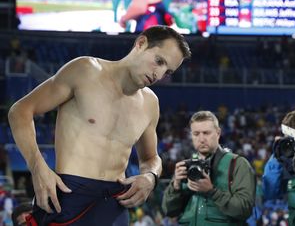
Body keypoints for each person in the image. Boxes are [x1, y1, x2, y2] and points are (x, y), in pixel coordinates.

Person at [7, 25, 191, 225]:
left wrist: (151, 177)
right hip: (68, 198)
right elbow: (20, 111)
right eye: (159, 61)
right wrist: (37, 167)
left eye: (168, 71)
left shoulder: (150, 103)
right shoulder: (85, 70)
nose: (159, 74)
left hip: (116, 204)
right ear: (141, 43)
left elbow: (151, 157)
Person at [161, 110, 256, 225]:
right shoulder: (186, 167)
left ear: (218, 133)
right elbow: (169, 211)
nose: (201, 139)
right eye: (196, 134)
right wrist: (175, 187)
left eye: (206, 133)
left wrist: (212, 191)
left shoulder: (237, 164)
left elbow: (244, 209)